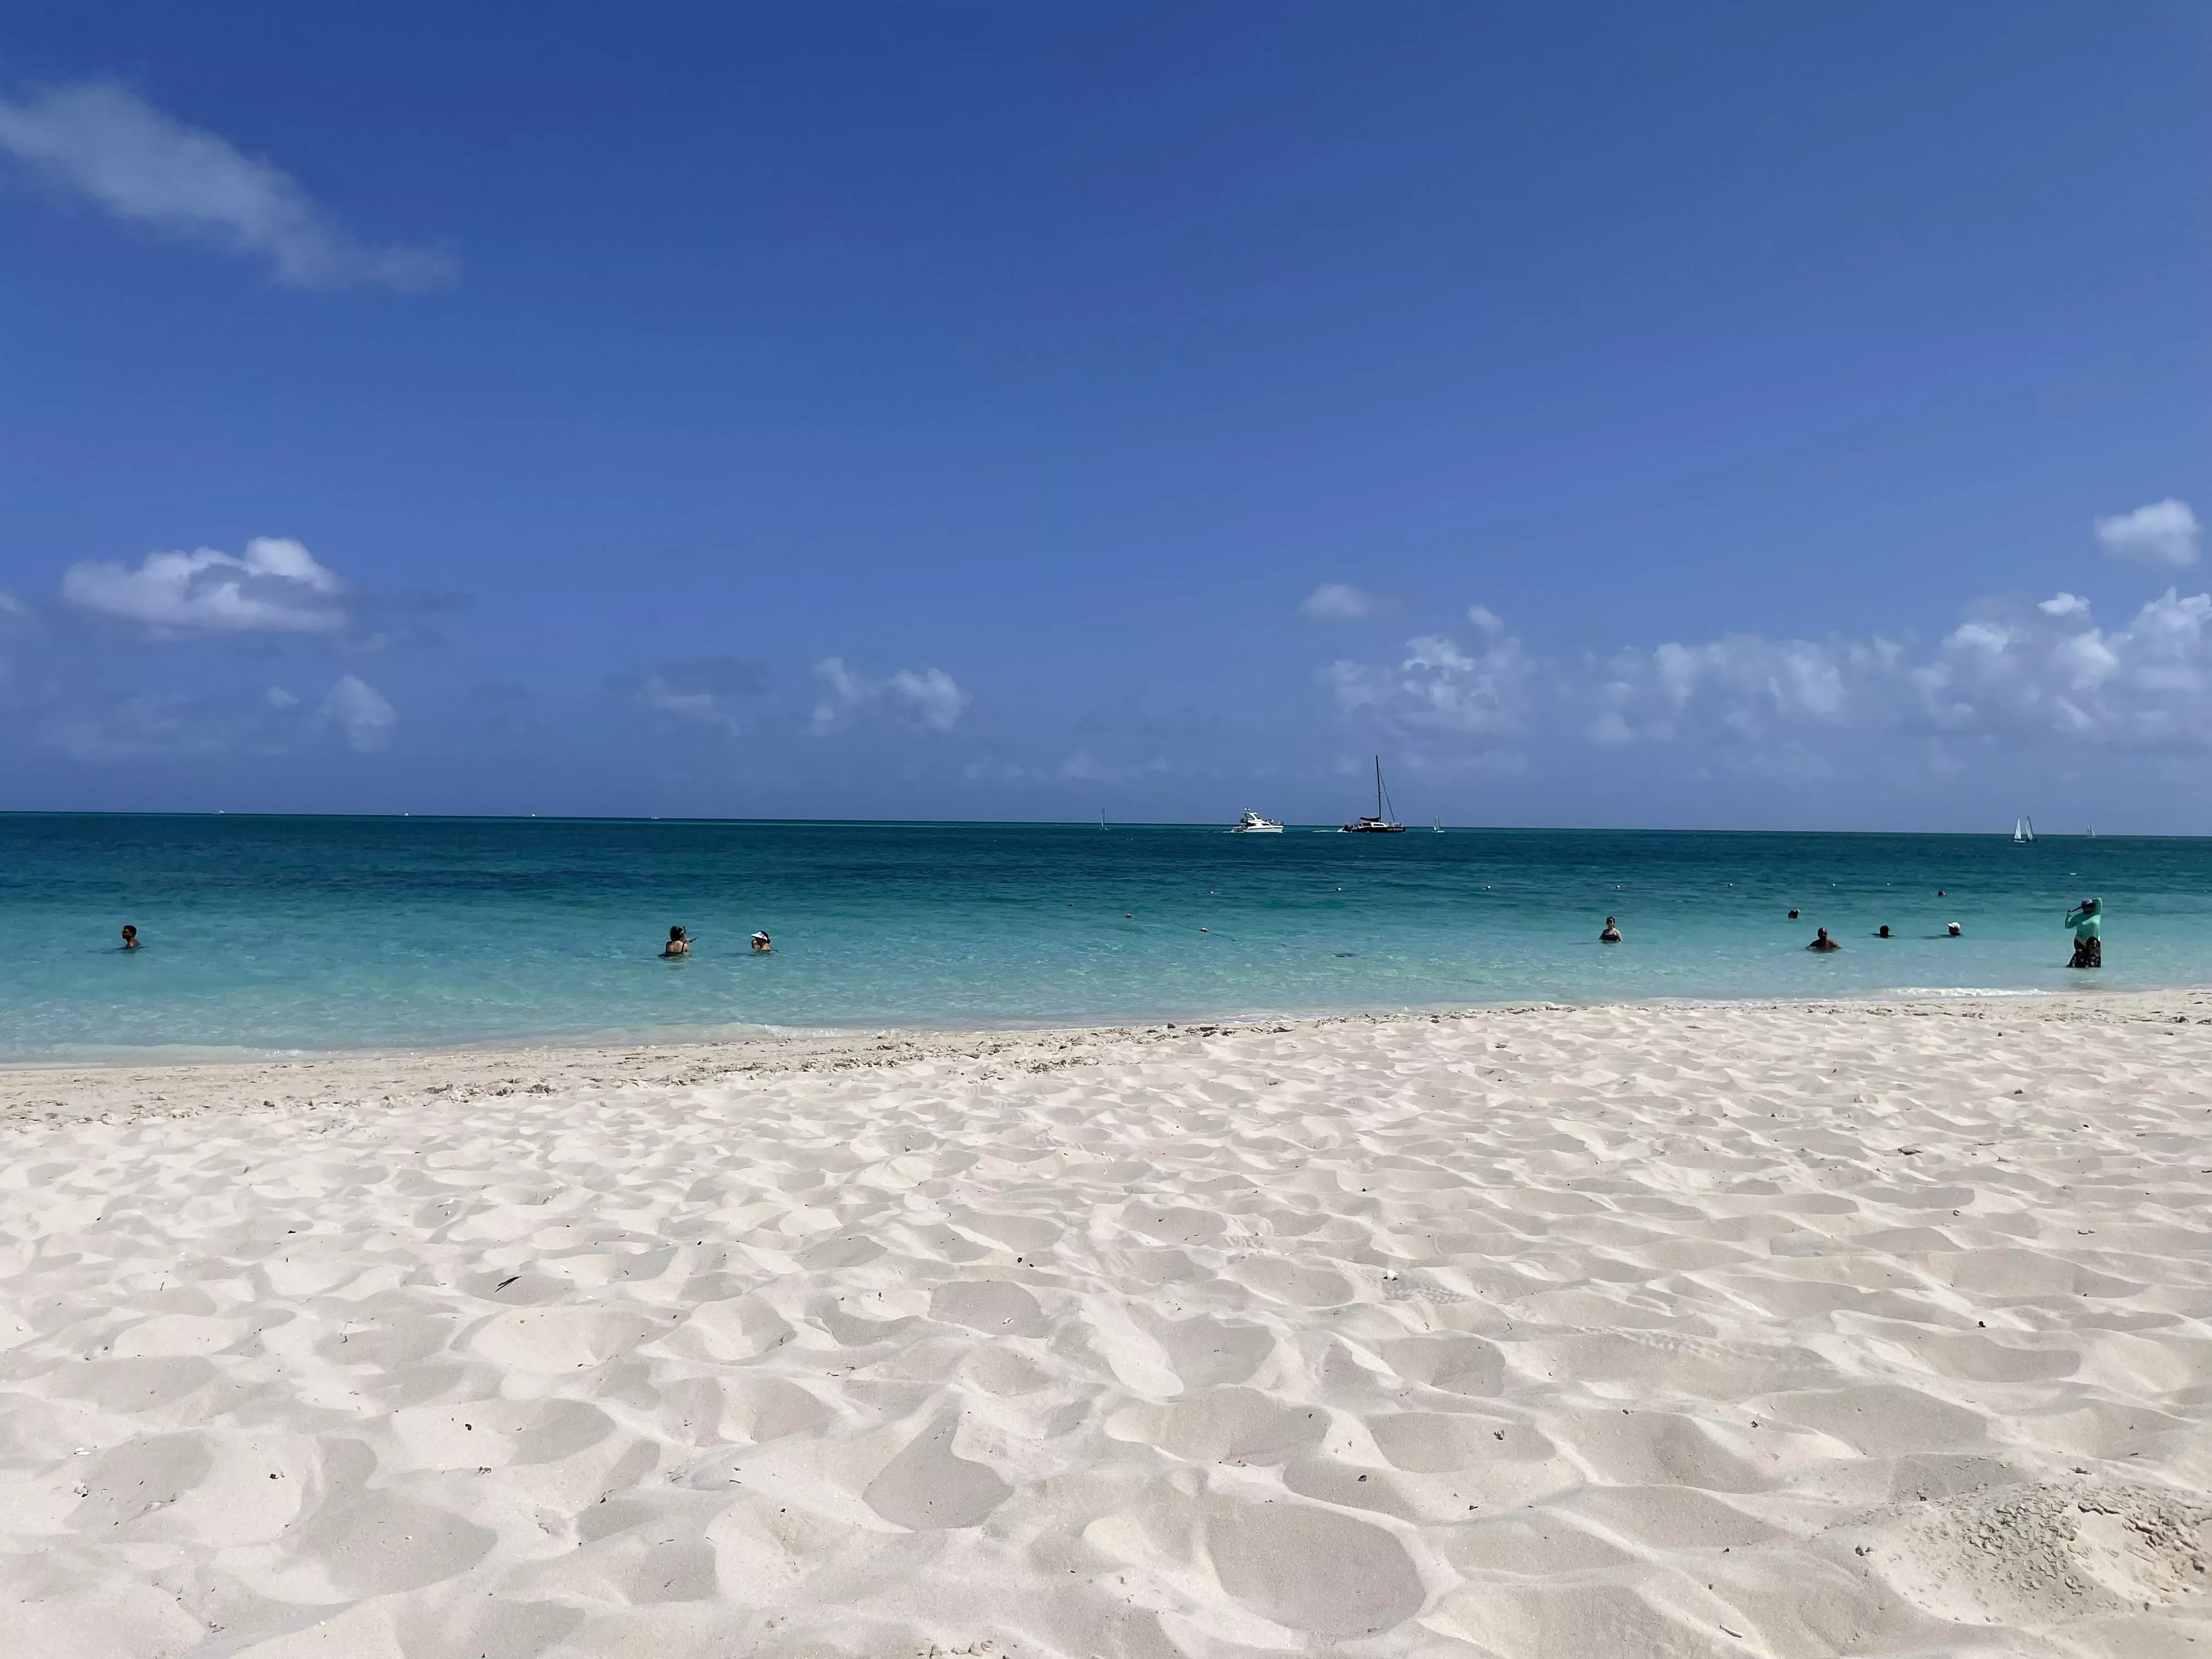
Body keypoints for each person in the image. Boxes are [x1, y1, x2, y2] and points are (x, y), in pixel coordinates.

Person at [2065, 898, 2102, 969]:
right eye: (2087, 906)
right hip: (2080, 941)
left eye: (2091, 906)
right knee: (2081, 965)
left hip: (2094, 943)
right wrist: (2068, 916)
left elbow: (2099, 900)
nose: (2090, 907)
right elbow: (2068, 926)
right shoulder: (2078, 917)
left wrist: (2090, 902)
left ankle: (2095, 980)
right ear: (2083, 908)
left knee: (2095, 965)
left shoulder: (2097, 913)